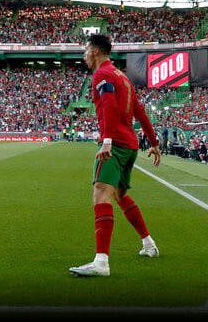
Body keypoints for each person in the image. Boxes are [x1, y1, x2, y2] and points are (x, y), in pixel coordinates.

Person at [69, 34, 161, 277]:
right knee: (120, 194)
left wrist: (107, 140)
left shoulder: (102, 74)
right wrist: (153, 142)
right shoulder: (123, 77)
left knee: (101, 192)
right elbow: (139, 111)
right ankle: (149, 244)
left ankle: (101, 262)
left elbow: (108, 103)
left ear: (96, 51)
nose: (84, 55)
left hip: (116, 143)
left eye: (86, 50)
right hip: (130, 144)